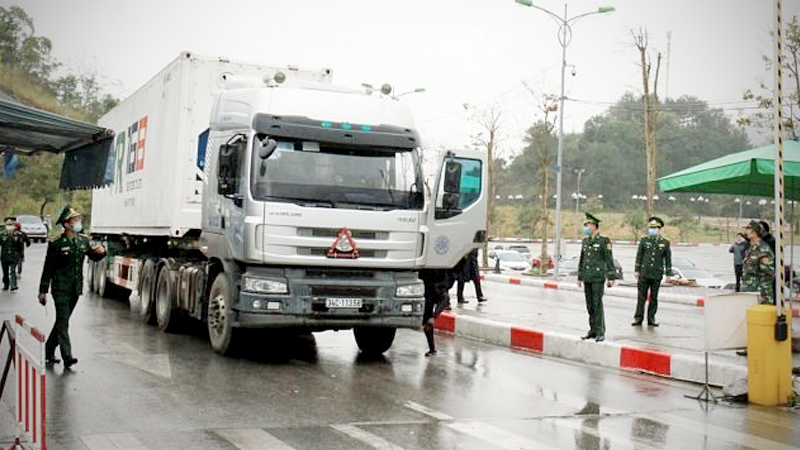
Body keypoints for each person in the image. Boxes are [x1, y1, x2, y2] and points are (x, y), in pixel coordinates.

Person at [38, 206, 106, 369]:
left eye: (79, 220)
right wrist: (43, 290)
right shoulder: (56, 243)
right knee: (63, 322)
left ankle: (48, 350)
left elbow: (93, 256)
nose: (78, 223)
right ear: (66, 224)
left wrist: (102, 252)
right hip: (60, 289)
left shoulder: (82, 240)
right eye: (75, 220)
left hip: (75, 288)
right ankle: (67, 356)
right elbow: (48, 268)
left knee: (63, 321)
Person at [577, 213, 616, 342]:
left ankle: (600, 331)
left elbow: (608, 259)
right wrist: (580, 276)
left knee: (597, 304)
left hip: (598, 277)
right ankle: (592, 330)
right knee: (590, 306)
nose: (586, 228)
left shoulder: (604, 241)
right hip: (588, 277)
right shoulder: (585, 241)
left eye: (587, 225)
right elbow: (582, 260)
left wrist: (611, 276)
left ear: (594, 226)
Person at [632, 216, 671, 327]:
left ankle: (651, 318)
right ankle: (638, 318)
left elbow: (667, 259)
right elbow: (639, 255)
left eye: (654, 228)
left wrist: (668, 273)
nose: (652, 230)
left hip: (656, 273)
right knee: (641, 297)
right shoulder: (644, 240)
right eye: (651, 227)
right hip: (644, 273)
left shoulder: (665, 242)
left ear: (659, 229)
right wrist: (637, 270)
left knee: (653, 297)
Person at [419, 269, 454, 356]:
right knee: (427, 324)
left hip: (439, 288)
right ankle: (432, 349)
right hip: (428, 290)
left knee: (431, 319)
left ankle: (432, 349)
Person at [741, 220, 775, 304]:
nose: (746, 232)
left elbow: (767, 275)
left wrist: (762, 295)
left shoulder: (763, 250)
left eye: (748, 230)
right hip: (749, 291)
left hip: (759, 294)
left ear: (754, 233)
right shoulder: (751, 249)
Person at [0, 217, 28, 291]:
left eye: (11, 225)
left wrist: (21, 255)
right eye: (8, 225)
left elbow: (21, 246)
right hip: (4, 256)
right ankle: (6, 284)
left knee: (13, 270)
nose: (9, 227)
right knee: (5, 272)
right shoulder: (2, 234)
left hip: (14, 256)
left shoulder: (18, 235)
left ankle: (13, 285)